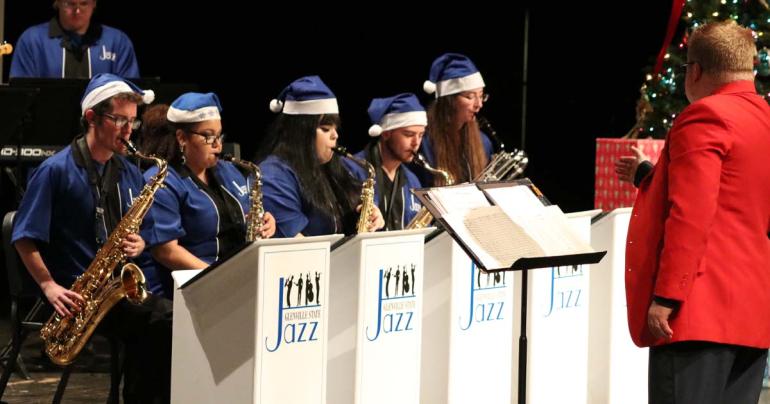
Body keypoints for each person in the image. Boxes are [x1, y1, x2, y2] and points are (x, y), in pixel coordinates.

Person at [624, 20, 770, 404]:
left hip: (698, 310)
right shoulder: (764, 117)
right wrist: (648, 176)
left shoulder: (704, 116)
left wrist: (667, 297)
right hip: (751, 312)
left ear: (695, 71)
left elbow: (692, 213)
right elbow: (734, 196)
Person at [11, 73, 170, 403]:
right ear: (91, 118)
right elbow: (23, 237)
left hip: (112, 290)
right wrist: (48, 286)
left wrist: (138, 244)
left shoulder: (127, 170)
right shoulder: (55, 171)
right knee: (161, 322)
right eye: (120, 120)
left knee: (169, 319)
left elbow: (140, 232)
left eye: (132, 122)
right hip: (76, 296)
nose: (129, 132)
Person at [139, 92, 276, 295]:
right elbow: (166, 251)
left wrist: (266, 221)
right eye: (208, 136)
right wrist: (217, 276)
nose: (218, 145)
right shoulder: (162, 180)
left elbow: (250, 215)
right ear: (182, 138)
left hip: (237, 280)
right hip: (190, 289)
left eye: (219, 135)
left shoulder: (228, 170)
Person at [258, 75, 384, 237]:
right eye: (325, 129)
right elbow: (297, 245)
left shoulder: (345, 166)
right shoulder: (274, 175)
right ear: (301, 132)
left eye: (335, 128)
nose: (335, 136)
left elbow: (368, 196)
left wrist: (374, 213)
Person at [342, 93, 426, 230]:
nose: (416, 143)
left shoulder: (413, 180)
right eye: (409, 134)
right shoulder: (351, 168)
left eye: (421, 135)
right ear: (386, 133)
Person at [416, 52, 493, 185]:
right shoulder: (423, 142)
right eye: (470, 97)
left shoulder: (483, 142)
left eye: (481, 96)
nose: (479, 104)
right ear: (449, 100)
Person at [10, 0, 139, 79]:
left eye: (84, 3)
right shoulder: (32, 40)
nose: (77, 11)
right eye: (70, 3)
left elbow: (130, 96)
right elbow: (22, 96)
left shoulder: (118, 42)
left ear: (94, 3)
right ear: (58, 2)